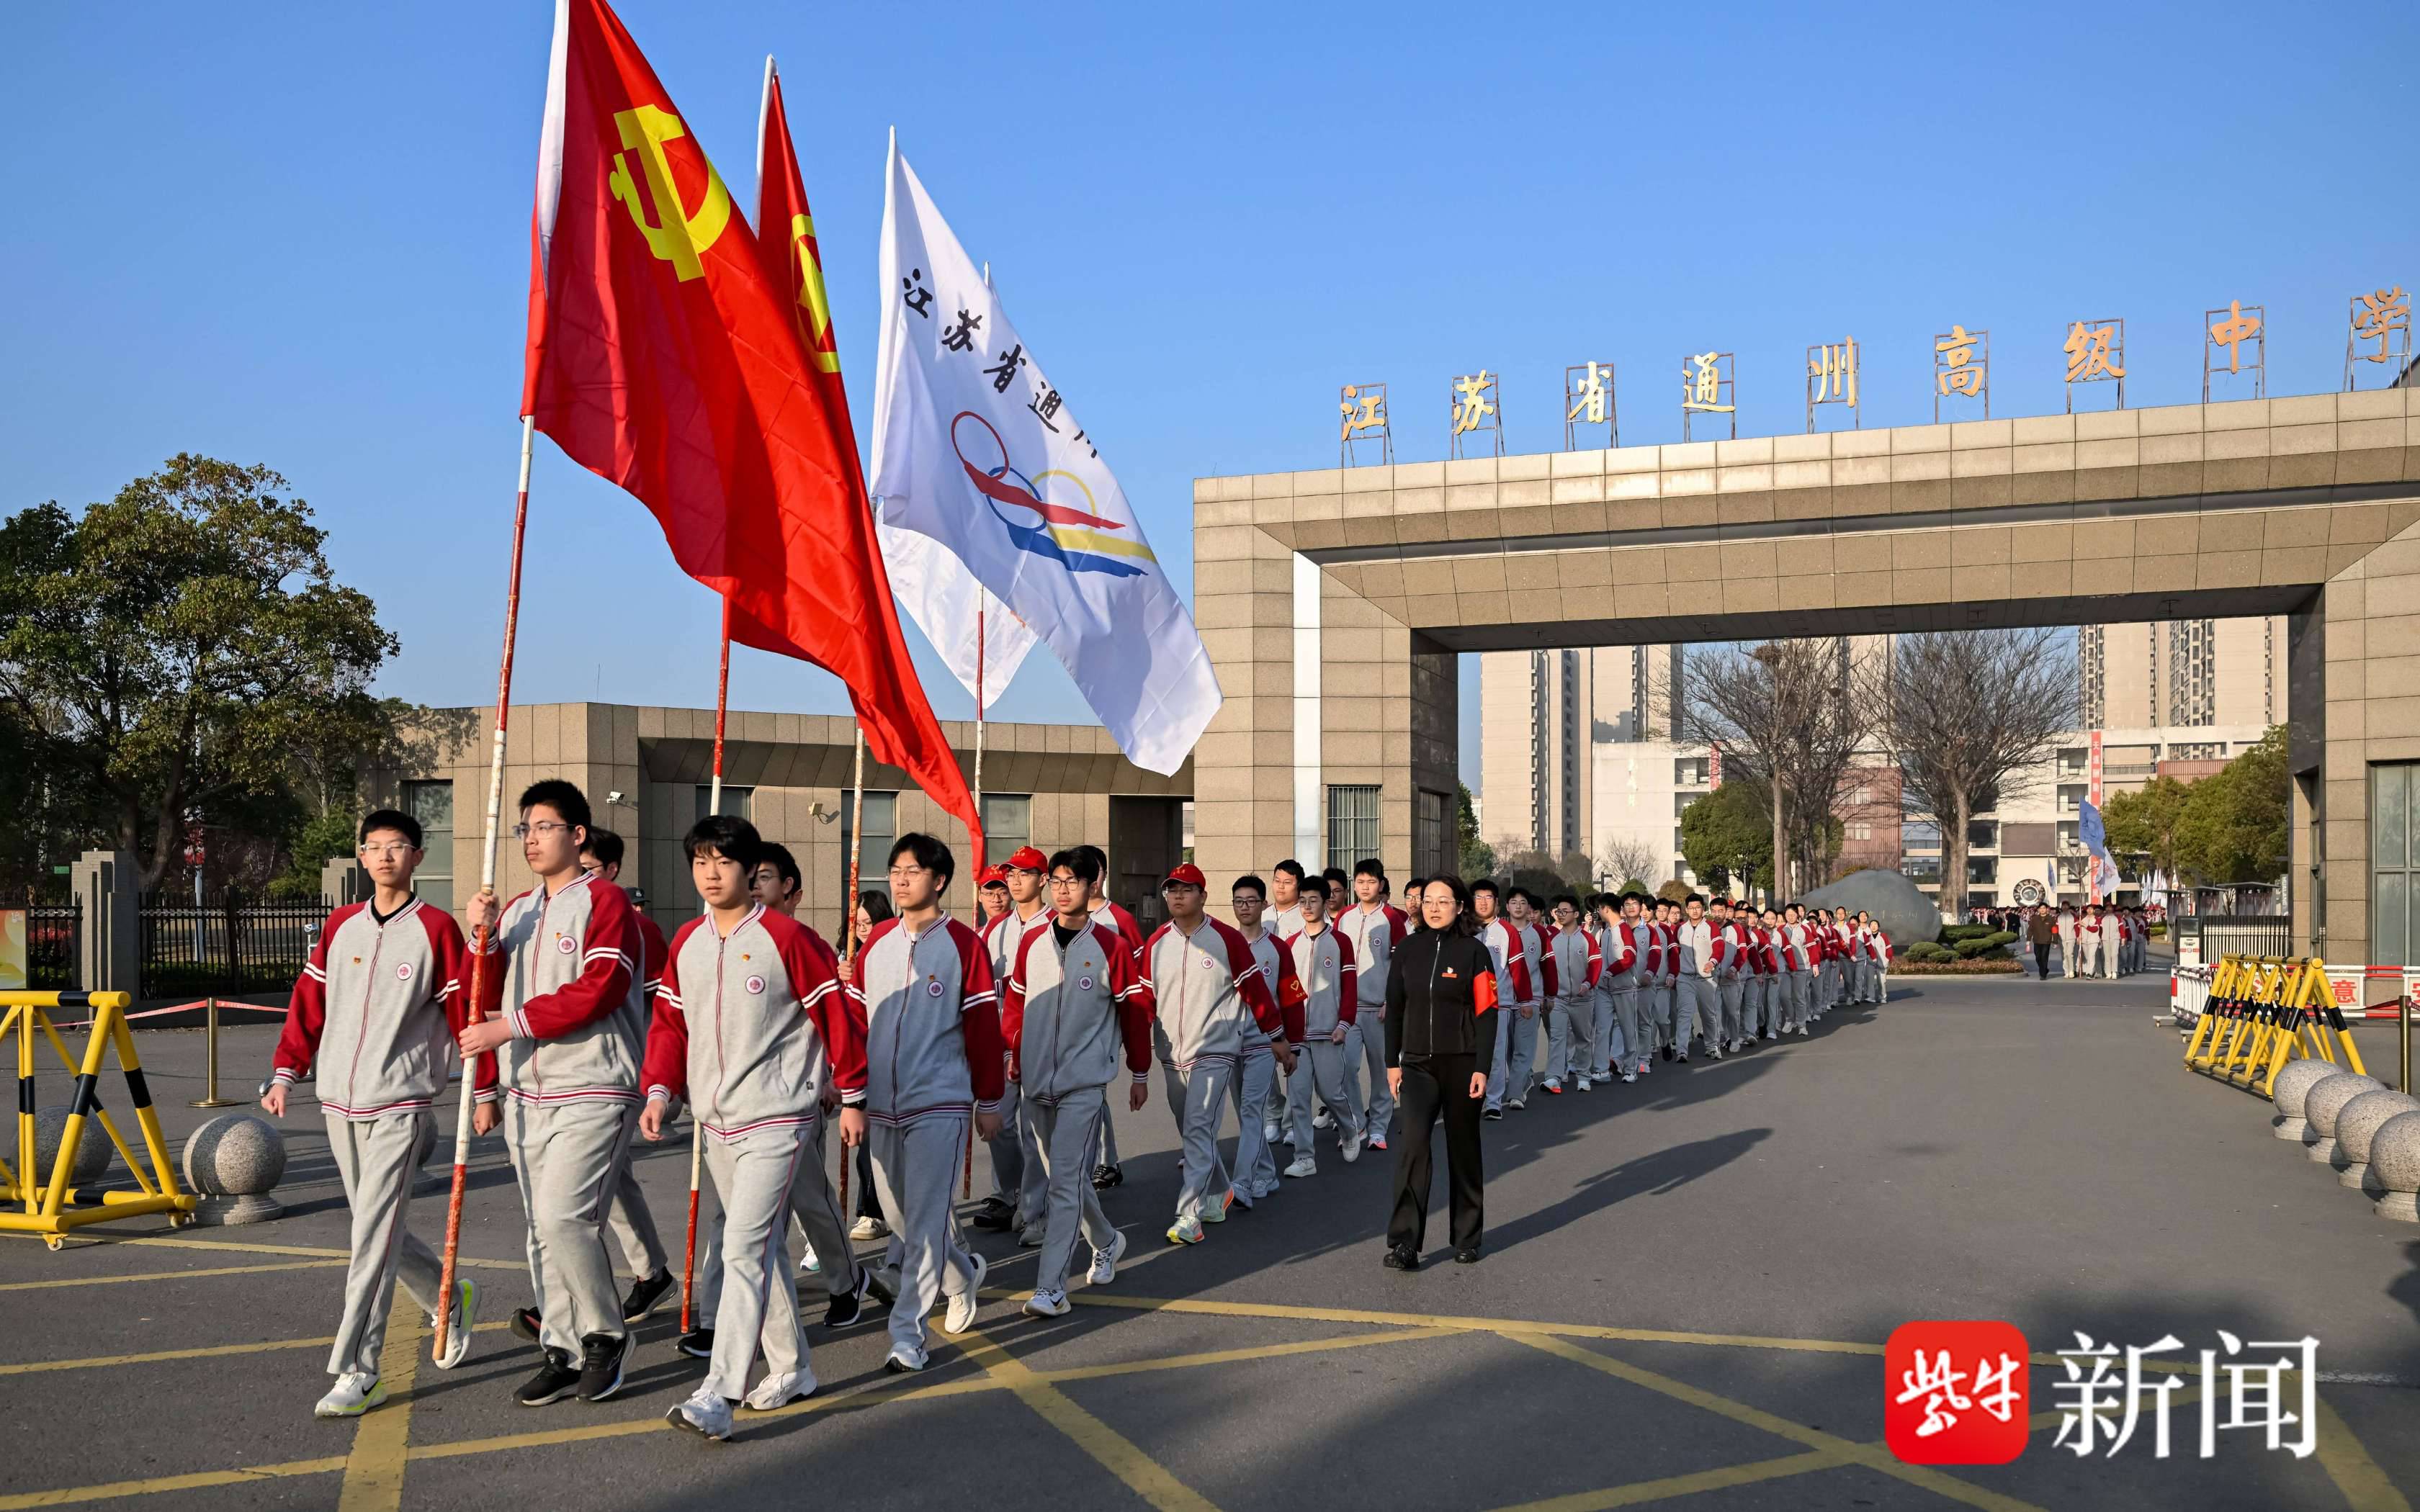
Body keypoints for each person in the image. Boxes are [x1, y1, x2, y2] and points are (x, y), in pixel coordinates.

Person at [643, 816, 864, 1439]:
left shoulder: (788, 938)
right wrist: (660, 1089)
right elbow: (669, 1023)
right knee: (759, 1250)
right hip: (716, 1123)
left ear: (749, 870)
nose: (711, 874)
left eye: (724, 862)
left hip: (779, 1118)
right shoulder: (687, 941)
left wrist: (851, 1095)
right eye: (701, 862)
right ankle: (792, 1368)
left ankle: (719, 1392)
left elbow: (836, 1017)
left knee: (741, 1247)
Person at [266, 809, 491, 1418]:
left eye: (398, 846)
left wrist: (485, 1090)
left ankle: (359, 1370)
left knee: (370, 1237)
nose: (385, 856)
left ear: (418, 856)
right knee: (377, 1229)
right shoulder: (341, 925)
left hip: (401, 1103)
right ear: (361, 856)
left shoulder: (437, 929)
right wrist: (287, 1070)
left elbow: (468, 1012)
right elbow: (309, 1001)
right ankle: (447, 1298)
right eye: (374, 846)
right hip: (338, 1100)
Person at [455, 780, 648, 1408]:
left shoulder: (605, 901)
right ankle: (561, 1350)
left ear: (577, 834)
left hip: (594, 1084)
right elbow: (479, 992)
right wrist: (481, 937)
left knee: (567, 1217)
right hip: (526, 1093)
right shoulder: (516, 912)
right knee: (541, 1230)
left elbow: (602, 986)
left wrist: (509, 1026)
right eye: (525, 829)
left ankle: (606, 1335)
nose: (531, 839)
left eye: (544, 827)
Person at [853, 833, 1003, 1374]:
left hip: (940, 1100)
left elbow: (983, 1029)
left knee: (923, 1221)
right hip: (880, 1103)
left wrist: (989, 1099)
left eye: (912, 871)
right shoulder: (877, 942)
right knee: (898, 1215)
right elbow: (854, 1020)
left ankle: (908, 1334)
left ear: (938, 880)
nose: (900, 879)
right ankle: (961, 1274)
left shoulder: (964, 944)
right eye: (895, 870)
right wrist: (847, 1089)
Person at [1000, 847, 1152, 1317]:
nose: (1063, 890)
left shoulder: (1111, 946)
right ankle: (1106, 1240)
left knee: (1064, 1184)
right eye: (1057, 881)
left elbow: (1134, 1013)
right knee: (1066, 1178)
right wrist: (1013, 1051)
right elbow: (1015, 1006)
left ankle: (1051, 1289)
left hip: (1084, 1083)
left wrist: (1140, 1072)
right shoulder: (1032, 942)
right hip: (1035, 1082)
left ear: (1092, 887)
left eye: (1073, 881)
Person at [1142, 863, 1293, 1245]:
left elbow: (1256, 992)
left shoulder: (1227, 939)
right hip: (1171, 1052)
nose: (1178, 896)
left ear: (1203, 896)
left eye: (1187, 889)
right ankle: (1220, 1189)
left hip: (1216, 1048)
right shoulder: (1157, 942)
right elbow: (1143, 999)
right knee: (1191, 1130)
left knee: (1198, 1126)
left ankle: (1189, 1214)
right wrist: (1137, 1054)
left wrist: (1278, 1035)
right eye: (1172, 890)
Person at [578, 828, 677, 1327]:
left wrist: (658, 1080)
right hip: (567, 1075)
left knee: (581, 1193)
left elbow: (665, 1009)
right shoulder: (553, 919)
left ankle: (568, 1304)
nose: (577, 879)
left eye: (588, 869)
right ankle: (650, 1271)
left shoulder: (639, 930)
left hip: (619, 1074)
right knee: (612, 1180)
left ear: (613, 871)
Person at [1382, 876, 1497, 1269]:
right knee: (1413, 1148)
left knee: (1463, 1149)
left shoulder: (1475, 952)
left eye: (1443, 901)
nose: (1433, 908)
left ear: (1460, 906)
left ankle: (1467, 1237)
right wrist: (1392, 1063)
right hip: (1417, 1065)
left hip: (1462, 1063)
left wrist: (1482, 1067)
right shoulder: (1407, 949)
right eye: (1427, 900)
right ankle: (1404, 1242)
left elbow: (1487, 1012)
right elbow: (1395, 1008)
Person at [971, 847, 1050, 1238]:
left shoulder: (1055, 925)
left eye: (1024, 874)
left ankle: (1038, 1207)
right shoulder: (992, 930)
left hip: (1040, 1040)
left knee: (1036, 1132)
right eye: (1011, 874)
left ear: (1043, 880)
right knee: (998, 1122)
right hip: (1001, 1041)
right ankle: (1013, 1192)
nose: (1015, 881)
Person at [1227, 874, 1302, 1204]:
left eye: (1251, 901)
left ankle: (1242, 1183)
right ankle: (1267, 1173)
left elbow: (1292, 1000)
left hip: (1263, 1042)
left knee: (1251, 1110)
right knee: (1247, 1114)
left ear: (1263, 905)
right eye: (1239, 901)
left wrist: (1292, 1046)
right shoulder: (1224, 944)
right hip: (1228, 1043)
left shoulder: (1278, 948)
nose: (1245, 907)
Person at [1281, 882, 1363, 1174]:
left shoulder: (1341, 942)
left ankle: (1350, 1130)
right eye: (1302, 900)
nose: (1306, 906)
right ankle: (1304, 1158)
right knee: (1299, 1098)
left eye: (1313, 900)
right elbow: (1286, 992)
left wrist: (1344, 1023)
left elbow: (1350, 988)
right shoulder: (1290, 944)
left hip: (1329, 1033)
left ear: (1325, 902)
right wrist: (1283, 1032)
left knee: (1331, 1093)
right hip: (1297, 1038)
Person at [1084, 847, 1147, 1192]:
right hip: (1073, 1020)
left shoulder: (1119, 918)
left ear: (1104, 876)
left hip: (1107, 1020)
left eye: (1093, 872)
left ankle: (1106, 1161)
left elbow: (1138, 971)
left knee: (1095, 1088)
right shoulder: (1059, 919)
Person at [1335, 859, 1407, 1148]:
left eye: (1371, 882)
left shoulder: (1391, 918)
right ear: (1354, 884)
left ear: (1382, 884)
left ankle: (1378, 1127)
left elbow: (1401, 965)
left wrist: (1392, 1000)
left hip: (1380, 1009)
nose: (1365, 887)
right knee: (1345, 1069)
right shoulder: (1344, 916)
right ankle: (1357, 1123)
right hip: (1349, 1011)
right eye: (1360, 882)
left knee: (1381, 1071)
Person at [844, 890, 895, 1241]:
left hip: (894, 1057)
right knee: (867, 1146)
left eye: (869, 922)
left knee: (893, 1148)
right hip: (862, 1060)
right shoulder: (846, 957)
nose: (864, 930)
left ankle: (886, 1211)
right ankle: (870, 1212)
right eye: (858, 924)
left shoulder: (893, 953)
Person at [1540, 894, 1600, 1093]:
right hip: (1559, 999)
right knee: (1557, 1037)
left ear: (1576, 914)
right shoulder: (1551, 940)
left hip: (1583, 999)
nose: (1561, 914)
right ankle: (1553, 1077)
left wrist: (1588, 984)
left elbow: (1595, 964)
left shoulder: (1587, 939)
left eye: (1565, 911)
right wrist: (1547, 994)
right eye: (1558, 911)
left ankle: (1583, 1076)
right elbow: (1546, 968)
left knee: (1584, 1039)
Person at [1676, 895, 1717, 1062]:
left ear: (1703, 909)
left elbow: (1719, 946)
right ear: (1686, 910)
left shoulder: (1711, 927)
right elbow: (1673, 952)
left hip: (1706, 979)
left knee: (1708, 1014)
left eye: (1698, 907)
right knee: (1684, 1014)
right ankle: (1681, 1051)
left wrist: (1712, 961)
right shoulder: (1680, 929)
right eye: (1691, 908)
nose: (1694, 911)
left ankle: (1712, 1047)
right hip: (1685, 978)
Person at [2028, 907, 2056, 980]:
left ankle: (2043, 975)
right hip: (2037, 941)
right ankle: (2045, 969)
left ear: (2046, 909)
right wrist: (2028, 940)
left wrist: (2055, 941)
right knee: (2038, 957)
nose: (2042, 910)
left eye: (2044, 908)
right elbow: (2030, 929)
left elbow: (2054, 930)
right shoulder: (2034, 919)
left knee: (2044, 957)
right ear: (2038, 910)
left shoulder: (2051, 919)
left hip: (2046, 941)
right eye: (2040, 908)